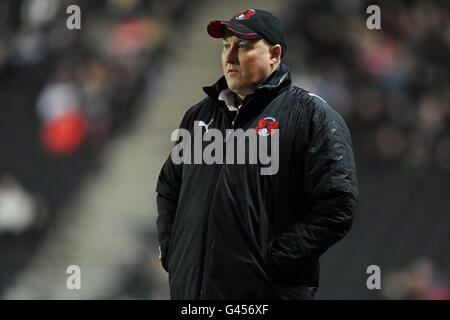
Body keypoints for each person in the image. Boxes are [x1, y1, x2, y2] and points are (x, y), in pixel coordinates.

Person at [156, 9, 358, 300]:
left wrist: (273, 262)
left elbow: (337, 204)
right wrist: (172, 250)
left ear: (274, 54)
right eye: (226, 45)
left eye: (244, 46)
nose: (230, 55)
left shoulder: (310, 114)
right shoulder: (199, 115)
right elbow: (168, 187)